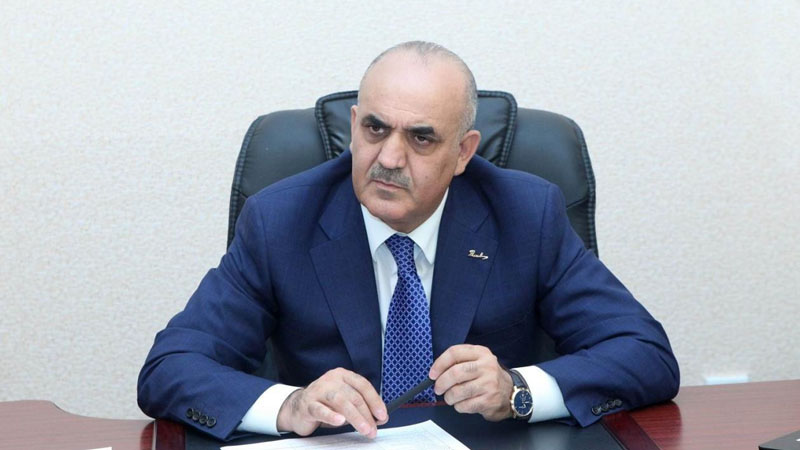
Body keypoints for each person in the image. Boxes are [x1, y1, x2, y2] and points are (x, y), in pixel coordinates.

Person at [137, 41, 679, 442]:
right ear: (354, 126)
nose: (390, 158)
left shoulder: (524, 214)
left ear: (463, 152)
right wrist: (291, 405)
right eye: (375, 129)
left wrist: (517, 389)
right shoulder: (280, 221)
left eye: (421, 138)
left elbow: (645, 354)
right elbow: (171, 367)